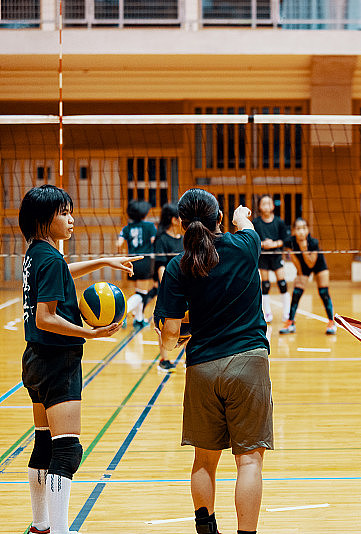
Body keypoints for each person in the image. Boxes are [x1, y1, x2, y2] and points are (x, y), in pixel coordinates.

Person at [18, 184, 139, 534]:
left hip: (35, 360)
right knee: (67, 451)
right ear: (44, 220)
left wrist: (103, 260)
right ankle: (58, 530)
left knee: (44, 445)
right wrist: (92, 333)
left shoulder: (36, 253)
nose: (72, 219)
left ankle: (40, 526)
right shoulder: (50, 257)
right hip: (58, 361)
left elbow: (61, 273)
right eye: (64, 213)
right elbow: (45, 317)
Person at [154, 189, 272, 534]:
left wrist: (185, 330)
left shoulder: (178, 267)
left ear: (180, 224)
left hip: (203, 367)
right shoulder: (245, 246)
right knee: (248, 460)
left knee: (204, 460)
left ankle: (205, 528)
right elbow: (247, 225)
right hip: (249, 362)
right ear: (218, 219)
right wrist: (241, 215)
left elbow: (170, 339)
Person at [279, 218, 337, 335]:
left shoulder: (313, 242)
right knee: (297, 292)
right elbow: (295, 261)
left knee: (323, 293)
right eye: (298, 228)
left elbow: (311, 263)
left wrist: (304, 248)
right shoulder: (289, 242)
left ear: (307, 230)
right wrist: (300, 275)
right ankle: (291, 322)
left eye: (304, 228)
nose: (301, 231)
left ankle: (331, 322)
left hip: (318, 263)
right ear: (294, 230)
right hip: (302, 265)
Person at [117, 200, 157, 327]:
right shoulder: (150, 226)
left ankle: (139, 319)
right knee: (142, 292)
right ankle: (122, 314)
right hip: (145, 260)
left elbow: (118, 244)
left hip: (131, 261)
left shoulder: (126, 228)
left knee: (140, 290)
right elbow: (153, 241)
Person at [153, 202, 183, 372]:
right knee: (164, 324)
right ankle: (164, 359)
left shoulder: (184, 240)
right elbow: (160, 266)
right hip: (169, 288)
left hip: (185, 288)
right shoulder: (162, 239)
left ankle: (190, 358)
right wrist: (168, 287)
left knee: (188, 322)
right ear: (173, 220)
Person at [253, 194, 291, 325]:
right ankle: (267, 313)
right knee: (266, 285)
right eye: (263, 203)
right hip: (263, 256)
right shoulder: (256, 223)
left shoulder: (279, 222)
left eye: (268, 203)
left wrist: (274, 244)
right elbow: (253, 239)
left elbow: (286, 240)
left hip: (276, 255)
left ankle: (287, 313)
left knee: (282, 283)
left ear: (273, 206)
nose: (266, 206)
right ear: (259, 206)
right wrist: (263, 244)